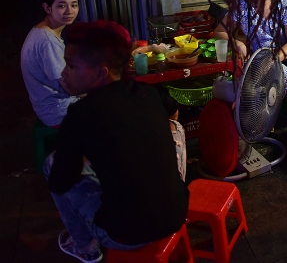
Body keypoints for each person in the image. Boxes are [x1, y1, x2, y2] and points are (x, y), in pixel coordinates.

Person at [44, 20, 188, 263]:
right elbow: (173, 115)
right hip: (177, 213)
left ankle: (86, 248)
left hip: (124, 234)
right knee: (174, 127)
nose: (63, 73)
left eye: (70, 66)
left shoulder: (80, 115)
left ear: (101, 72)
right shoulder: (148, 92)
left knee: (51, 163)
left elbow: (61, 181)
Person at [21, 0, 81, 127]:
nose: (69, 11)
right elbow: (68, 86)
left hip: (50, 105)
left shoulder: (43, 31)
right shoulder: (47, 41)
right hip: (57, 110)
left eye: (74, 5)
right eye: (61, 6)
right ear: (47, 8)